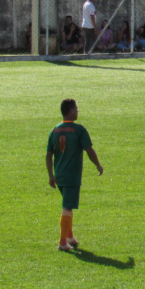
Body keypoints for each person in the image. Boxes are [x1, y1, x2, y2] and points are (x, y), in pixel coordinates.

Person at [46, 99, 104, 251]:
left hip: (59, 176)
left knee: (68, 205)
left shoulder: (54, 130)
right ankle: (62, 242)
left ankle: (70, 236)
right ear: (70, 111)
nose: (78, 111)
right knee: (67, 207)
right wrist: (98, 165)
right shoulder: (79, 130)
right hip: (72, 175)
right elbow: (89, 150)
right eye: (76, 109)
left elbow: (48, 154)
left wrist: (51, 175)